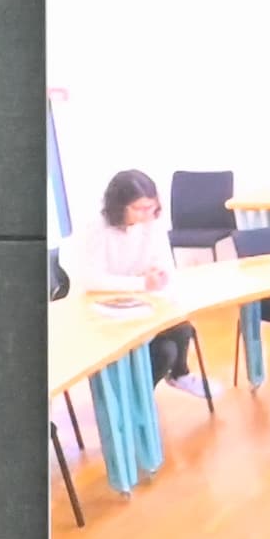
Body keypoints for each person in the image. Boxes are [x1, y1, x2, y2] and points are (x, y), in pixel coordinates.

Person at [70, 167, 183, 485]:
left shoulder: (153, 224)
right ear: (120, 206)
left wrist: (159, 279)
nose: (147, 214)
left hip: (142, 302)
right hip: (102, 312)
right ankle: (129, 408)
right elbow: (92, 280)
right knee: (160, 351)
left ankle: (143, 398)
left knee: (180, 331)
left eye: (151, 207)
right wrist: (140, 283)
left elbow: (165, 266)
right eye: (139, 208)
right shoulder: (98, 228)